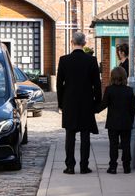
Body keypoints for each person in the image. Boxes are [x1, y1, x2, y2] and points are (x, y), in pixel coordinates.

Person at [56, 32, 102, 175]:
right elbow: (97, 84)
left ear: (71, 42)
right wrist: (97, 103)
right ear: (85, 44)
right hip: (86, 103)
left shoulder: (64, 60)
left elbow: (59, 84)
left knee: (70, 136)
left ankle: (70, 166)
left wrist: (61, 103)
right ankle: (84, 166)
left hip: (69, 102)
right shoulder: (91, 60)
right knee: (85, 136)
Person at [96, 67, 135, 174]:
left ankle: (113, 166)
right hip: (126, 122)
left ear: (112, 77)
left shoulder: (109, 90)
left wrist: (93, 110)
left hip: (113, 122)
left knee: (113, 145)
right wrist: (130, 121)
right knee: (126, 145)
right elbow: (132, 109)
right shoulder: (129, 90)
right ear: (124, 77)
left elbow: (103, 105)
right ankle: (126, 167)